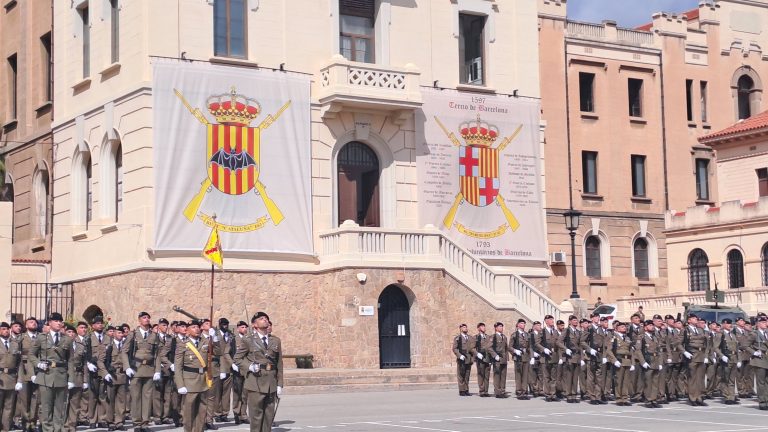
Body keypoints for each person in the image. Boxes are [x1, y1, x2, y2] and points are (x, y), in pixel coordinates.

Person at [235, 312, 283, 432]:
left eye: (266, 318)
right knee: (256, 418)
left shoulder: (275, 341)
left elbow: (279, 364)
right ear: (254, 324)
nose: (265, 320)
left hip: (271, 383)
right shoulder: (248, 340)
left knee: (268, 417)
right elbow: (237, 359)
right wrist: (249, 366)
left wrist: (280, 384)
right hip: (255, 382)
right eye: (261, 319)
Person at [29, 313, 74, 432]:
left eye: (60, 321)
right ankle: (47, 429)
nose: (59, 323)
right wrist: (38, 363)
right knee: (46, 407)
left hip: (61, 375)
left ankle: (58, 429)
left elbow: (70, 360)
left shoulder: (67, 339)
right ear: (49, 323)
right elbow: (31, 354)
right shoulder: (41, 338)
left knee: (59, 408)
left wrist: (71, 379)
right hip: (45, 375)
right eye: (55, 321)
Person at [122, 312, 160, 432]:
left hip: (149, 369)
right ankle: (136, 423)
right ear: (139, 320)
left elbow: (157, 354)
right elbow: (124, 351)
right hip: (136, 369)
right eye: (144, 318)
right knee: (136, 397)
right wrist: (127, 367)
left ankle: (145, 423)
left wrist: (157, 370)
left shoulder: (154, 335)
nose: (147, 319)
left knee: (147, 398)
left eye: (148, 317)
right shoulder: (133, 335)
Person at [174, 320, 210, 432]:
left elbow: (218, 351)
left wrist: (216, 338)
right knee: (189, 411)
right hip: (189, 380)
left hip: (203, 380)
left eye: (198, 327)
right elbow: (178, 366)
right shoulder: (183, 344)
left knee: (202, 410)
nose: (197, 329)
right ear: (188, 330)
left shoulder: (205, 342)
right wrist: (180, 385)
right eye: (193, 327)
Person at [99, 327, 128, 431]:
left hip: (123, 375)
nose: (121, 335)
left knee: (121, 400)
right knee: (110, 400)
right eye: (119, 333)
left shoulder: (125, 345)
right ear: (114, 333)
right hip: (112, 375)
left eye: (122, 333)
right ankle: (110, 421)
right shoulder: (108, 346)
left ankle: (119, 421)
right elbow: (100, 361)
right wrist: (105, 373)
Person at [86, 316, 110, 429]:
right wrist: (88, 364)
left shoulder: (108, 338)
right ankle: (92, 419)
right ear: (93, 326)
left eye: (101, 323)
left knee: (102, 395)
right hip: (93, 370)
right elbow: (86, 354)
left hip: (104, 369)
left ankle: (102, 419)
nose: (100, 325)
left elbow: (110, 354)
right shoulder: (89, 338)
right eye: (97, 323)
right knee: (93, 396)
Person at [64, 323, 88, 432]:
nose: (71, 334)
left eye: (73, 332)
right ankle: (64, 426)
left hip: (78, 376)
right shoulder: (62, 345)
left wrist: (85, 380)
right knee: (64, 402)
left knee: (75, 403)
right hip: (65, 376)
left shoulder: (81, 346)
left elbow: (84, 364)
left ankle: (72, 426)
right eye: (69, 332)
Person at [17, 317, 40, 432]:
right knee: (25, 399)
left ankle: (33, 422)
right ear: (26, 325)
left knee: (36, 399)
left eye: (35, 322)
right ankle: (25, 423)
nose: (34, 323)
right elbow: (17, 356)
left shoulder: (41, 337)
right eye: (31, 322)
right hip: (25, 371)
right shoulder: (21, 338)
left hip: (38, 371)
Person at [683, 314, 710, 406]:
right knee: (692, 378)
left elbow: (706, 343)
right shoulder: (685, 330)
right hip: (692, 355)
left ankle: (699, 397)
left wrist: (706, 356)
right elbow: (678, 343)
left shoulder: (700, 330)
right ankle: (692, 397)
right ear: (689, 320)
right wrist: (685, 352)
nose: (696, 320)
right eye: (694, 318)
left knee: (700, 378)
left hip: (701, 355)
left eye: (696, 318)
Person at [607, 322, 634, 406]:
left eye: (625, 327)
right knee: (619, 381)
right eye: (622, 327)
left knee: (626, 381)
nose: (624, 328)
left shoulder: (627, 338)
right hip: (619, 360)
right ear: (617, 328)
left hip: (627, 361)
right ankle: (619, 399)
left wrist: (632, 363)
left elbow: (631, 351)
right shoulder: (614, 338)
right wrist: (614, 360)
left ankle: (625, 398)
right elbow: (609, 350)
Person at [557, 315, 582, 403]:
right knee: (569, 377)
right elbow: (559, 342)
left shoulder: (578, 332)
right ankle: (569, 395)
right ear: (570, 321)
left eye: (576, 320)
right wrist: (565, 349)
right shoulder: (566, 331)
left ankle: (574, 394)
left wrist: (581, 358)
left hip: (577, 357)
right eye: (574, 320)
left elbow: (580, 345)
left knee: (575, 378)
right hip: (569, 357)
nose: (576, 322)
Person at [0, 321, 20, 432]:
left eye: (7, 329)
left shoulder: (15, 343)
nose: (6, 331)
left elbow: (19, 363)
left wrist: (20, 380)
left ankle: (5, 428)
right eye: (3, 329)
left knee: (9, 407)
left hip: (12, 379)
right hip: (0, 378)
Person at [231, 321, 249, 424]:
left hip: (246, 370)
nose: (244, 329)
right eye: (242, 327)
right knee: (237, 393)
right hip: (237, 370)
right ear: (238, 329)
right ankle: (236, 413)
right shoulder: (233, 339)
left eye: (245, 327)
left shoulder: (249, 339)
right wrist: (232, 364)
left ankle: (243, 414)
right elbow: (227, 352)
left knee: (245, 394)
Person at [510, 319, 532, 400]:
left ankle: (524, 391)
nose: (523, 325)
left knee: (525, 376)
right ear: (518, 324)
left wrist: (531, 356)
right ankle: (519, 392)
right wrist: (515, 351)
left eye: (524, 323)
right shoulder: (514, 335)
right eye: (522, 323)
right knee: (519, 375)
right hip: (518, 357)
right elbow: (510, 347)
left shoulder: (527, 335)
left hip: (526, 357)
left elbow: (530, 346)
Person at [486, 322, 509, 399]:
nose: (501, 328)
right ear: (496, 328)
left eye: (502, 326)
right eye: (499, 326)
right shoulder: (493, 337)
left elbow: (506, 348)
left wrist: (507, 358)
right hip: (497, 359)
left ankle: (502, 391)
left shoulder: (504, 337)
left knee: (503, 376)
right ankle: (498, 392)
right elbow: (488, 347)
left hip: (503, 359)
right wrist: (495, 355)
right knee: (497, 375)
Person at [451, 324, 472, 396]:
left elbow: (472, 348)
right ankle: (461, 390)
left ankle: (466, 389)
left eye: (466, 327)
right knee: (461, 375)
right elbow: (454, 348)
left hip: (468, 359)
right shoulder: (458, 338)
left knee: (467, 375)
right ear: (460, 329)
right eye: (463, 327)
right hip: (461, 359)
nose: (465, 328)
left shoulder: (470, 338)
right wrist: (459, 356)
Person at [469, 323, 490, 398]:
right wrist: (477, 354)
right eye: (482, 326)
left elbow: (491, 347)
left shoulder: (488, 337)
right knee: (481, 375)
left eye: (484, 326)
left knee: (487, 375)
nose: (484, 327)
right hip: (480, 358)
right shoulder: (475, 337)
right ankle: (482, 391)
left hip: (487, 358)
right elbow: (472, 348)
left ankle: (486, 391)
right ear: (478, 328)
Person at [752, 315, 768, 410]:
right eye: (762, 322)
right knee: (761, 382)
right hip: (759, 360)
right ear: (758, 324)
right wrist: (754, 352)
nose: (765, 324)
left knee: (767, 382)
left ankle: (767, 400)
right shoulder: (754, 334)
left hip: (767, 360)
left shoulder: (767, 333)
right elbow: (745, 345)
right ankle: (762, 402)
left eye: (765, 322)